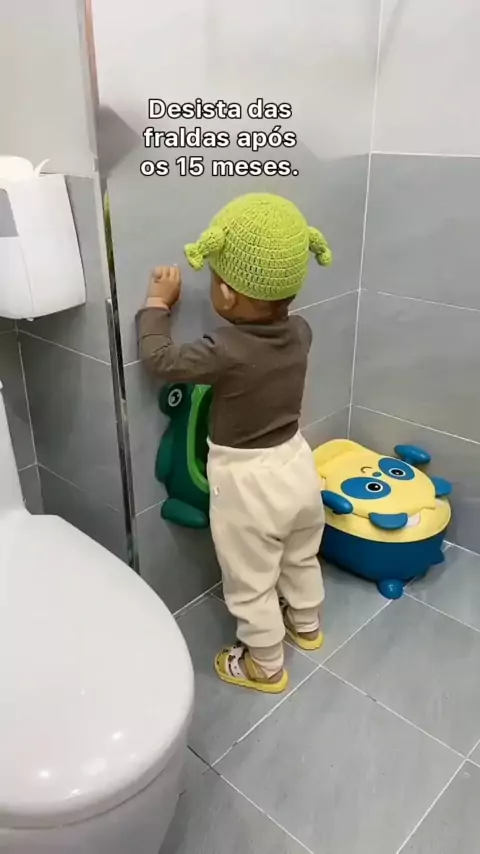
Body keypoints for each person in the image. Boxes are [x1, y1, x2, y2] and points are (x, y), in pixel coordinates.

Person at [137, 193, 332, 693]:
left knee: (251, 581)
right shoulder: (302, 332)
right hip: (297, 466)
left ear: (226, 295)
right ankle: (307, 625)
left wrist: (156, 305)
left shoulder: (224, 349)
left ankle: (265, 664)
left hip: (248, 485)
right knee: (300, 555)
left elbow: (162, 361)